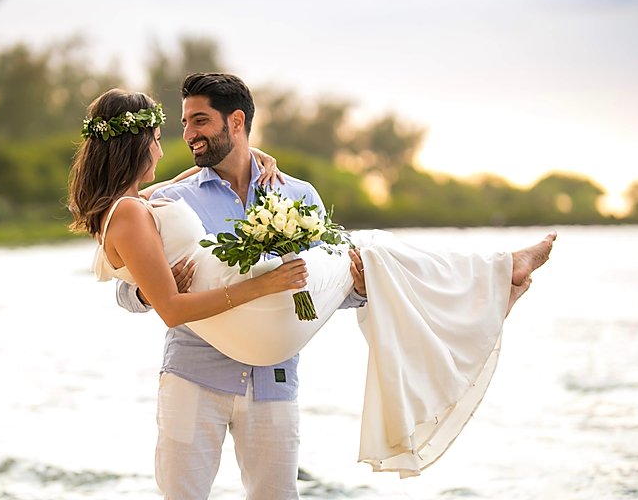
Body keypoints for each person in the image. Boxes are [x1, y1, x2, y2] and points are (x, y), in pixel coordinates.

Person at [68, 77, 555, 497]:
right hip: (196, 372)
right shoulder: (168, 197)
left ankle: (489, 282)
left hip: (274, 375)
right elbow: (129, 290)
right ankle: (493, 276)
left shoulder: (296, 195)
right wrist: (153, 292)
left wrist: (360, 290)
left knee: (370, 258)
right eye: (178, 126)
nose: (184, 136)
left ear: (235, 122)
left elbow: (322, 292)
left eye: (199, 121)